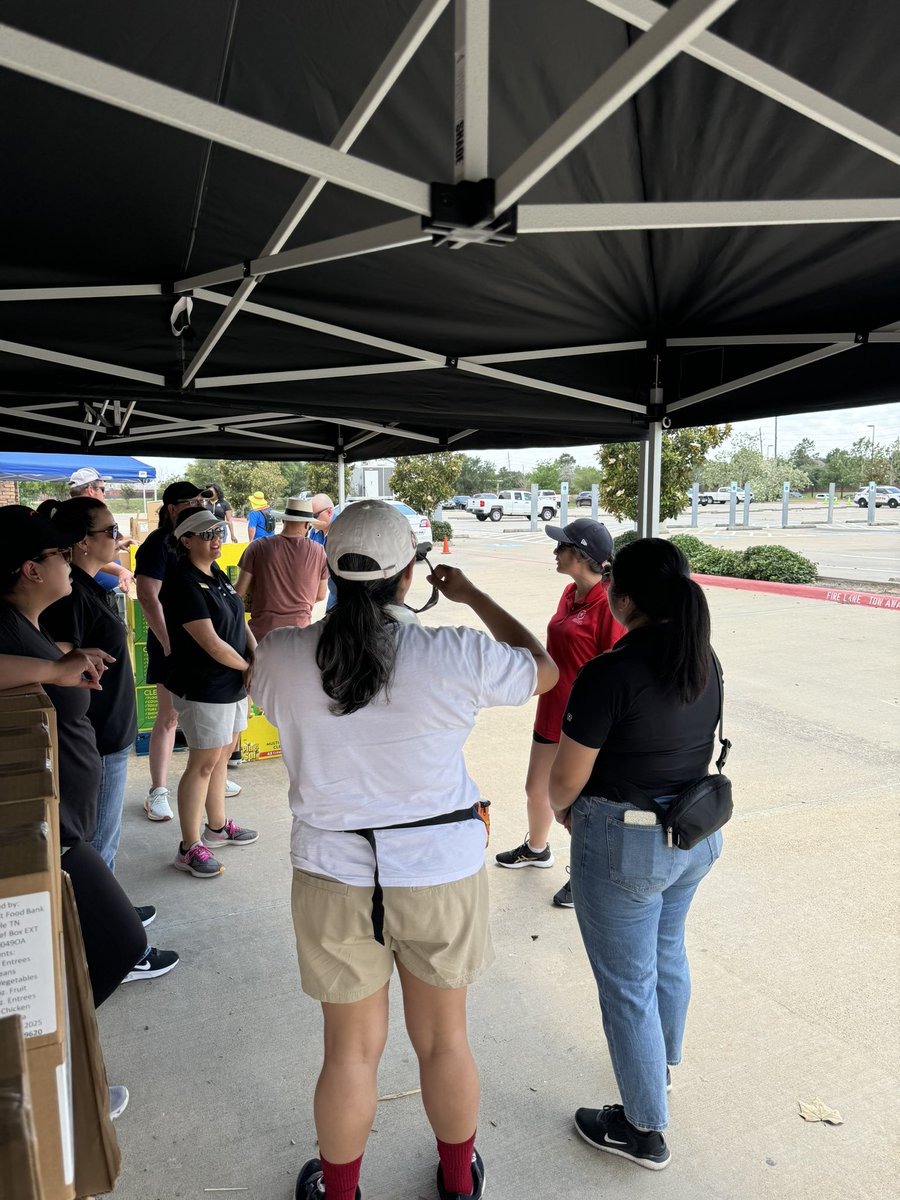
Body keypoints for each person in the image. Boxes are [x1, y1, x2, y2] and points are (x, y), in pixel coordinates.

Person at [253, 500, 558, 1200]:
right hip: (440, 872)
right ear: (409, 574)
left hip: (332, 874)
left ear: (327, 570)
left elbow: (284, 695)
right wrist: (473, 595)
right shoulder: (454, 651)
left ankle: (339, 1192)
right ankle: (457, 1183)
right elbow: (541, 668)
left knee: (350, 1051)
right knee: (445, 1041)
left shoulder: (281, 656)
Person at [548, 538, 723, 1171]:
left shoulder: (611, 673)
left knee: (627, 988)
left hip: (626, 845)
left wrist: (564, 811)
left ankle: (644, 1128)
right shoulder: (703, 659)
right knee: (666, 952)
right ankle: (663, 1067)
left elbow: (566, 779)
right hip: (693, 836)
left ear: (623, 600)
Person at [0, 505, 179, 1006]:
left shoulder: (25, 623)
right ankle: (60, 1059)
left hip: (63, 820)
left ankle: (65, 1061)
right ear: (31, 569)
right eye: (58, 553)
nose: (67, 561)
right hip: (47, 828)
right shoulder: (8, 625)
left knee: (85, 943)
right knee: (119, 942)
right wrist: (56, 671)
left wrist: (61, 665)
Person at [495, 519, 623, 907]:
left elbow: (615, 671)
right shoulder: (569, 593)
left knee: (576, 804)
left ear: (583, 557)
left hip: (584, 724)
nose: (555, 552)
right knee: (537, 789)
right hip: (552, 709)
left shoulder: (608, 606)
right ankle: (536, 849)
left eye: (562, 547)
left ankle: (584, 875)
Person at [134, 481, 243, 820]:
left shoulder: (213, 567)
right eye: (190, 502)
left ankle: (213, 794)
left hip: (210, 657)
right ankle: (158, 790)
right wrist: (167, 642)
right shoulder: (157, 544)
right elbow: (148, 595)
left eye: (201, 500)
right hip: (176, 645)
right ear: (171, 509)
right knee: (168, 717)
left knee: (212, 747)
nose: (198, 504)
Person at [160, 509, 259, 879]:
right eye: (206, 534)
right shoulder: (182, 582)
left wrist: (255, 655)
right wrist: (248, 667)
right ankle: (189, 846)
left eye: (218, 531)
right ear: (186, 540)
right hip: (204, 686)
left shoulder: (216, 574)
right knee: (202, 764)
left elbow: (238, 620)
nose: (216, 539)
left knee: (221, 758)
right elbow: (211, 643)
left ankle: (216, 827)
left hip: (231, 682)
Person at [234, 497, 327, 640]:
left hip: (261, 636)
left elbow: (239, 591)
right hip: (300, 634)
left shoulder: (257, 547)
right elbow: (320, 595)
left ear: (283, 520)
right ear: (307, 524)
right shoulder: (319, 551)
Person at [67, 467, 135, 592]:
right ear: (91, 490)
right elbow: (87, 555)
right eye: (102, 489)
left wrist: (117, 544)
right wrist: (120, 570)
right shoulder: (81, 519)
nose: (119, 536)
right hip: (92, 591)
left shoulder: (76, 517)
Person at [308, 492, 338, 609]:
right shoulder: (314, 531)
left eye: (314, 516)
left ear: (329, 512)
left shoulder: (343, 531)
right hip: (333, 592)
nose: (311, 521)